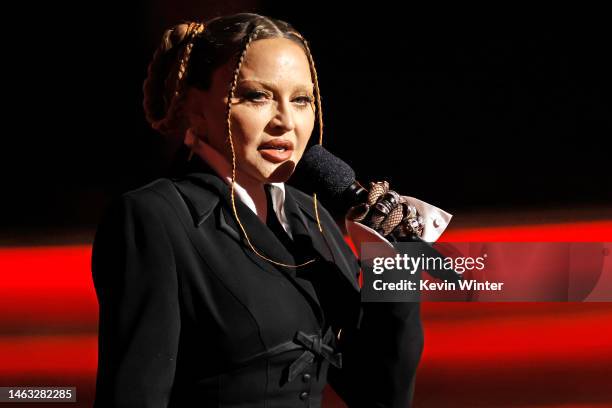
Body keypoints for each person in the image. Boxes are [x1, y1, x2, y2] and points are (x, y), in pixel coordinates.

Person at [91, 12, 451, 407]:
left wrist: (391, 269)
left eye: (300, 100)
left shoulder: (309, 215)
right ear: (194, 107)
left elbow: (380, 394)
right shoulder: (153, 218)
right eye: (256, 96)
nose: (285, 122)